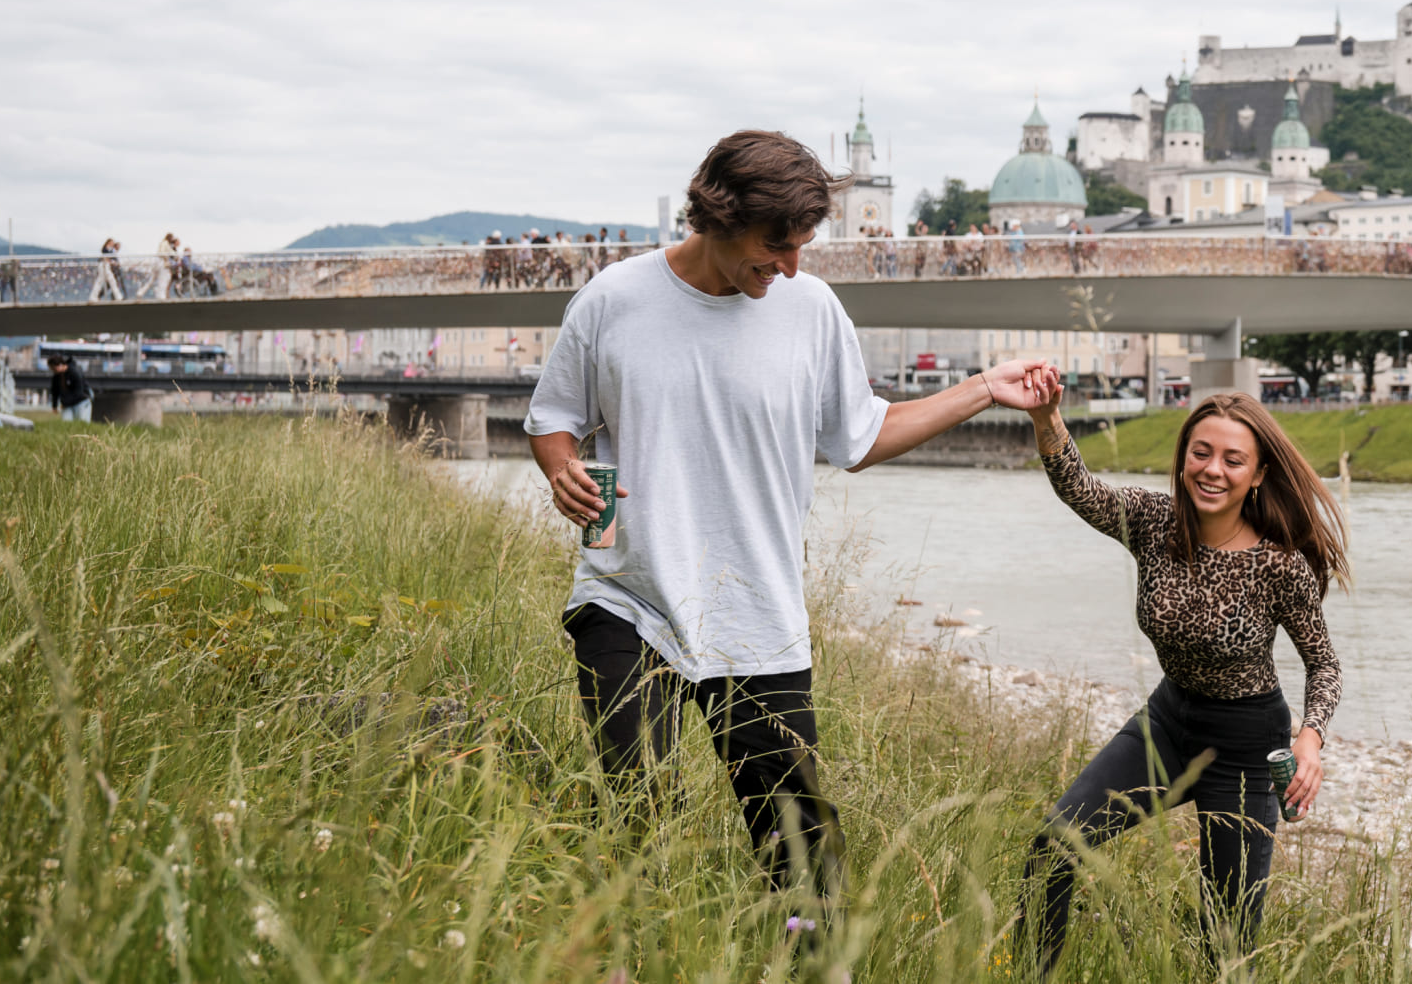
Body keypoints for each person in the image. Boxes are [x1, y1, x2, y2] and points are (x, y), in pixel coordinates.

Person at [524, 129, 1048, 930]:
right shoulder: (614, 299)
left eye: (803, 247)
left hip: (758, 617)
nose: (792, 266)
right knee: (639, 825)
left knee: (805, 865)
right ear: (718, 214)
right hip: (628, 600)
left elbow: (861, 437)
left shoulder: (810, 310)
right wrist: (560, 466)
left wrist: (983, 388)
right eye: (777, 246)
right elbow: (554, 418)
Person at [1012, 387, 1347, 975]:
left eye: (1232, 459)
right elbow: (1079, 488)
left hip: (1245, 747)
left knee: (1223, 937)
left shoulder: (1279, 564)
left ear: (1259, 474)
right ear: (1184, 456)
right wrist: (1047, 417)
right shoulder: (1152, 521)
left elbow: (1324, 664)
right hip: (1168, 722)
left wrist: (1310, 739)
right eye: (1201, 452)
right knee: (1054, 846)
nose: (1212, 469)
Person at [49, 352, 93, 422]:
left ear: (60, 365)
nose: (52, 370)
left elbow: (78, 392)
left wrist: (65, 402)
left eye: (53, 368)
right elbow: (55, 392)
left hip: (81, 401)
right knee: (67, 423)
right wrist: (55, 406)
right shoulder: (56, 377)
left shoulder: (74, 372)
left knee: (82, 423)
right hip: (67, 404)